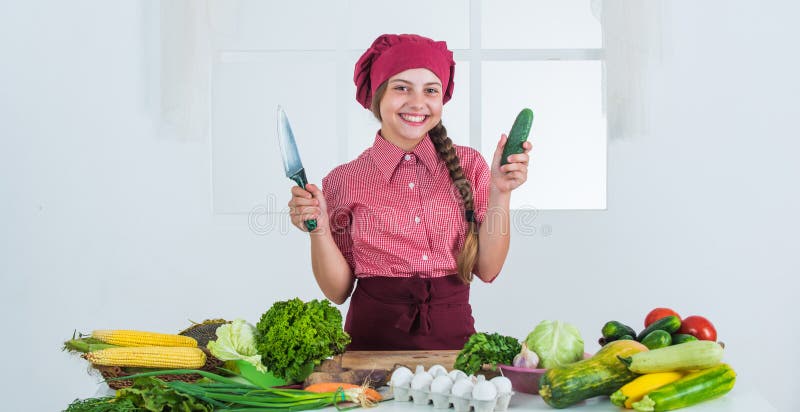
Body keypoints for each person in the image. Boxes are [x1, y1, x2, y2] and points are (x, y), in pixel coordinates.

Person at [288, 33, 531, 350]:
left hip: (454, 352)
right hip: (369, 352)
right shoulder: (344, 180)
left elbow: (487, 269)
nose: (418, 102)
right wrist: (318, 230)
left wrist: (501, 192)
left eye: (430, 90)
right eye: (401, 87)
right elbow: (337, 291)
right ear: (378, 97)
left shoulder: (470, 165)